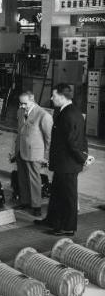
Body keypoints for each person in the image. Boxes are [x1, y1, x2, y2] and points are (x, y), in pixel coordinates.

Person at [35, 84, 88, 236]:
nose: (51, 98)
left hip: (68, 164)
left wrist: (82, 159)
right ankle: (52, 220)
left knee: (68, 196)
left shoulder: (69, 114)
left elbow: (74, 143)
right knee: (57, 193)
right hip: (62, 163)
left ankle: (68, 227)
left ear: (62, 96)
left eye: (54, 96)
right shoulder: (66, 111)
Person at [13, 91, 53, 217]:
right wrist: (14, 150)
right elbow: (19, 132)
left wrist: (46, 157)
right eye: (20, 103)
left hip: (35, 153)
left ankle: (36, 205)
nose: (22, 106)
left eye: (25, 103)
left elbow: (49, 138)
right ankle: (24, 201)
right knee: (22, 177)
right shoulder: (20, 112)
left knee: (34, 179)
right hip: (20, 150)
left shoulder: (43, 115)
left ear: (33, 100)